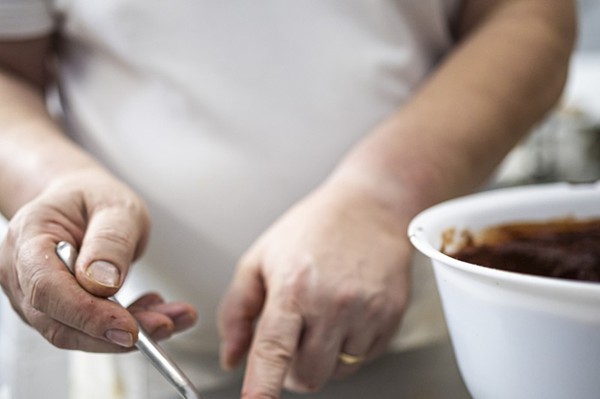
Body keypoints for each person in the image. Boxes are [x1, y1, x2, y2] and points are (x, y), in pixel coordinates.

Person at [0, 0, 576, 398]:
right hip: (141, 355)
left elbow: (529, 15)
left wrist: (382, 195)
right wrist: (48, 181)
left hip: (426, 334)